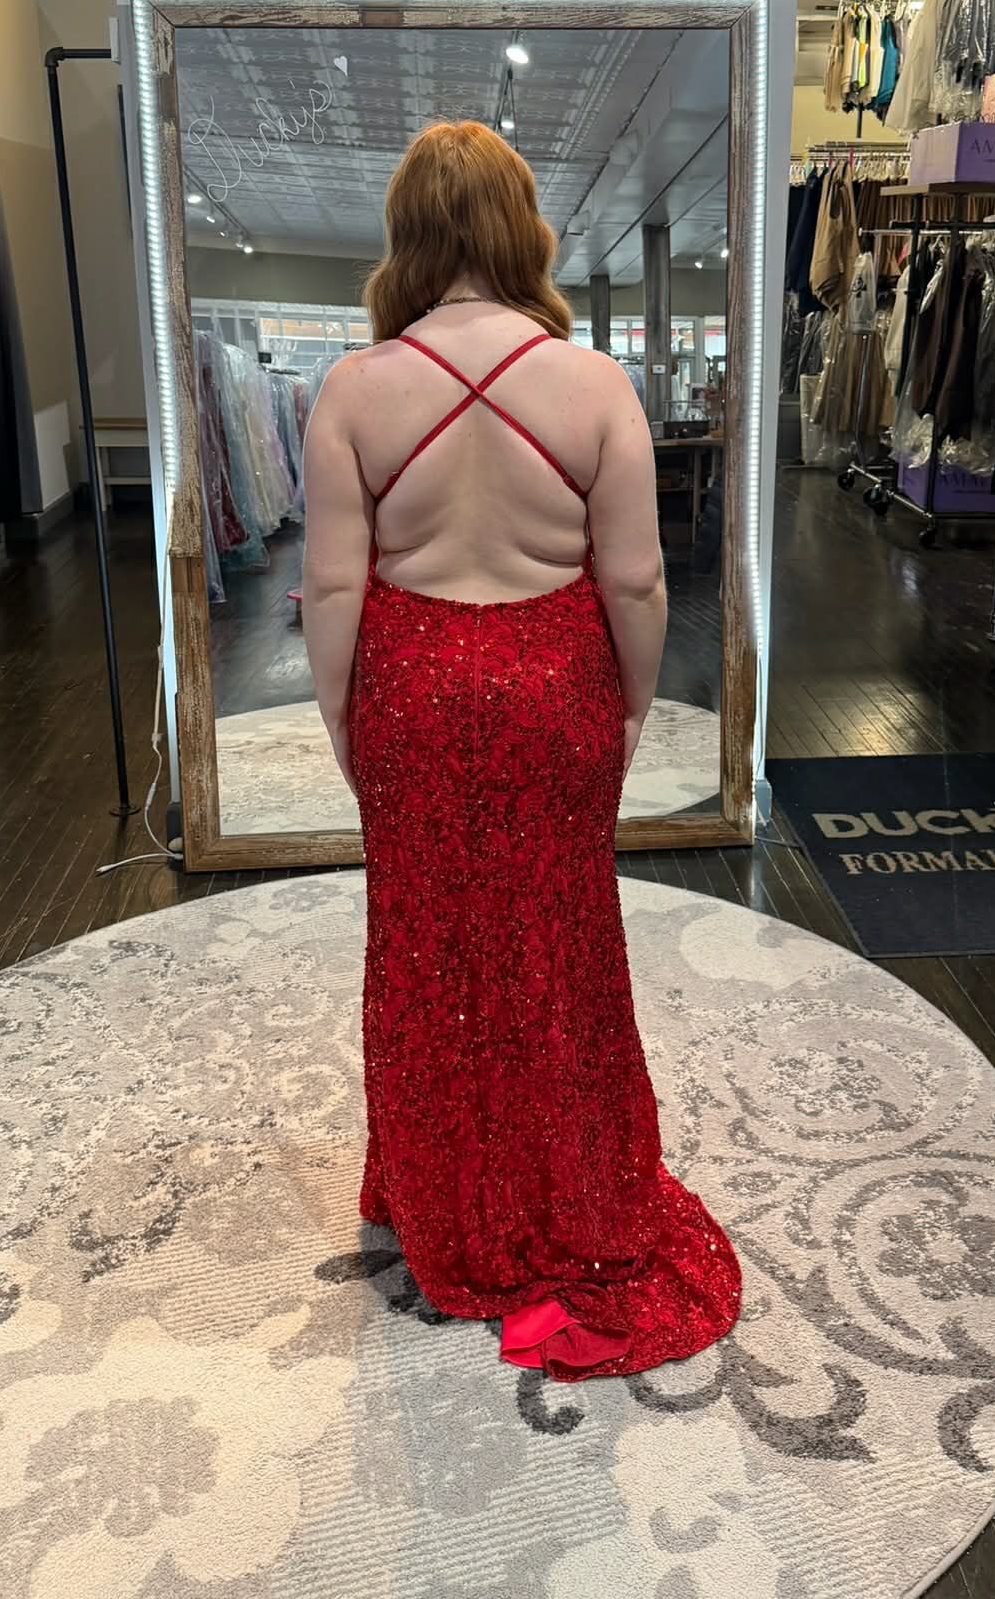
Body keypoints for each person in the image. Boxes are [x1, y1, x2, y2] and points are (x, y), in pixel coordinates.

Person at [299, 119, 740, 1382]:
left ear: (409, 238)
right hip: (557, 691)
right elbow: (641, 582)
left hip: (413, 694)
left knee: (428, 946)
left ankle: (442, 1209)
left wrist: (342, 717)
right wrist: (633, 706)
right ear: (523, 232)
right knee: (560, 944)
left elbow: (333, 589)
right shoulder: (594, 384)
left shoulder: (354, 389)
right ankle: (573, 1192)